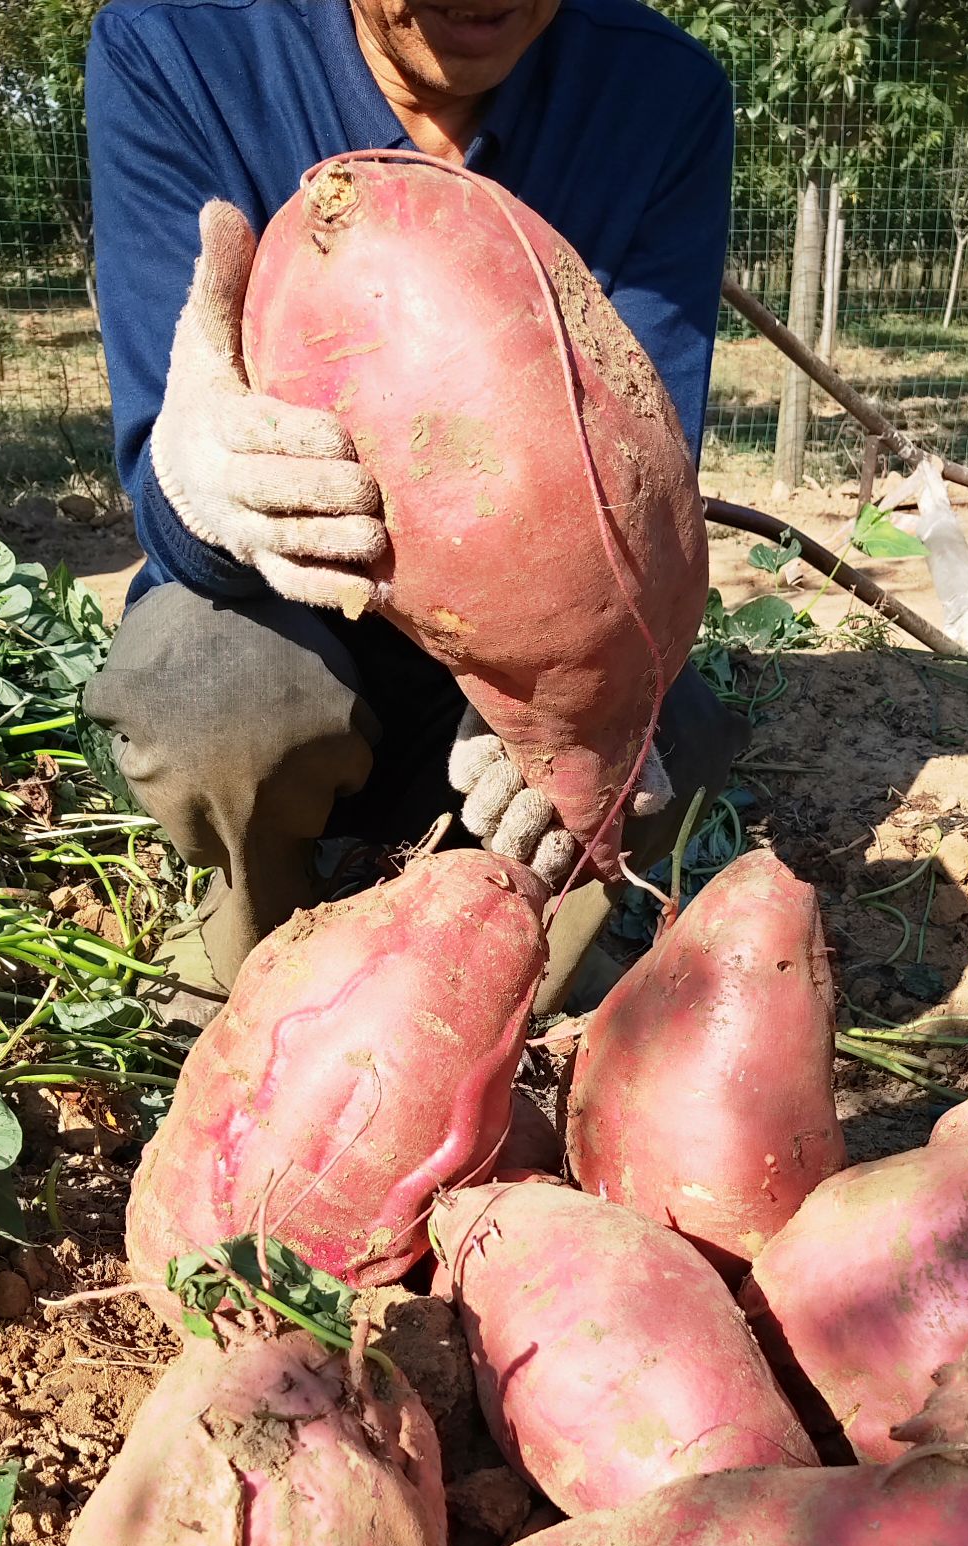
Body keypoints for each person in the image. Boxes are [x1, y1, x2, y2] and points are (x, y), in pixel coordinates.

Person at [82, 0, 744, 1006]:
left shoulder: (659, 93)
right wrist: (203, 489)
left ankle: (507, 1000)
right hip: (284, 621)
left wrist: (575, 691)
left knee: (671, 735)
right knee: (211, 695)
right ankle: (252, 968)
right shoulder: (180, 45)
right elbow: (160, 492)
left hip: (512, 662)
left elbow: (648, 476)